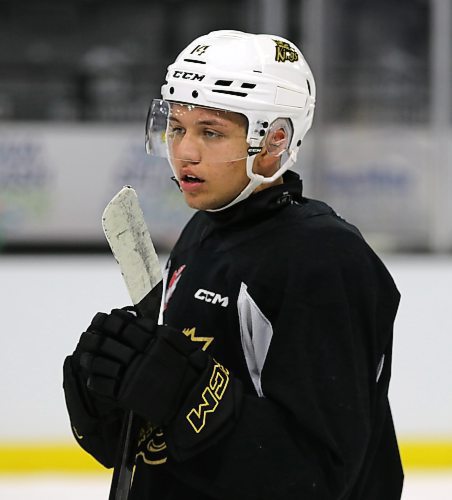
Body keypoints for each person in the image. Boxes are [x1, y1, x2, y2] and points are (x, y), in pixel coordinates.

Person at [63, 30, 404, 499]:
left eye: (211, 132)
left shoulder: (323, 259)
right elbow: (176, 432)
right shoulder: (205, 231)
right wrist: (123, 408)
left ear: (274, 142)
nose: (184, 150)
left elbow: (322, 476)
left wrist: (193, 401)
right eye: (177, 127)